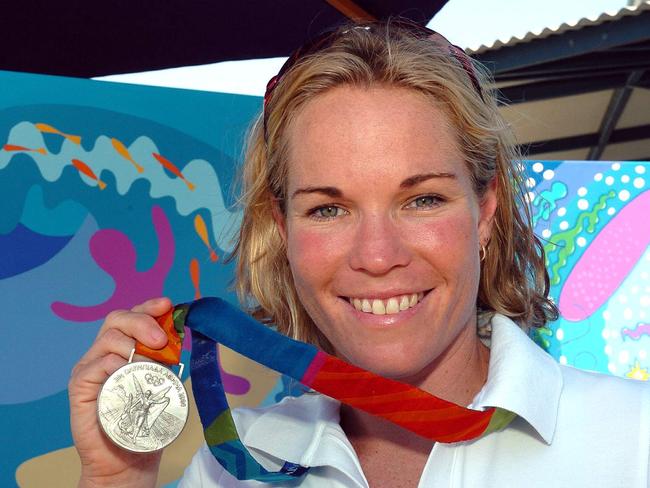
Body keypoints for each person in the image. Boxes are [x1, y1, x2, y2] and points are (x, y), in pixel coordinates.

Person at [69, 20, 650, 487]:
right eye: (328, 208)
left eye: (422, 199)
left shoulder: (634, 439)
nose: (377, 256)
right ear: (284, 229)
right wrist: (115, 481)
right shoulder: (230, 468)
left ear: (487, 210)